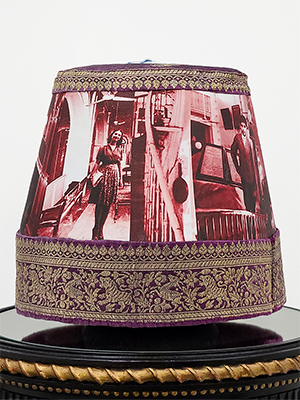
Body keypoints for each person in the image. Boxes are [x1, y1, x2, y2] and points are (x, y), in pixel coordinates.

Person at [89, 130, 123, 240]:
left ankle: (101, 230)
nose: (116, 136)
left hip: (114, 177)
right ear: (111, 135)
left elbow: (119, 165)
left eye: (119, 135)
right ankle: (96, 229)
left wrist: (120, 179)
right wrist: (92, 174)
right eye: (115, 134)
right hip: (104, 175)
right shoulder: (103, 148)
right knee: (100, 203)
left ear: (120, 138)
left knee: (108, 204)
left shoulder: (119, 149)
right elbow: (98, 163)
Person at [231, 116, 256, 213]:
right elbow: (233, 152)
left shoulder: (251, 140)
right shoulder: (237, 138)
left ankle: (253, 212)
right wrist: (237, 167)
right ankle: (249, 212)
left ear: (247, 128)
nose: (243, 128)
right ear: (239, 127)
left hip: (252, 172)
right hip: (244, 171)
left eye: (244, 126)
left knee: (253, 193)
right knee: (247, 193)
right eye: (241, 126)